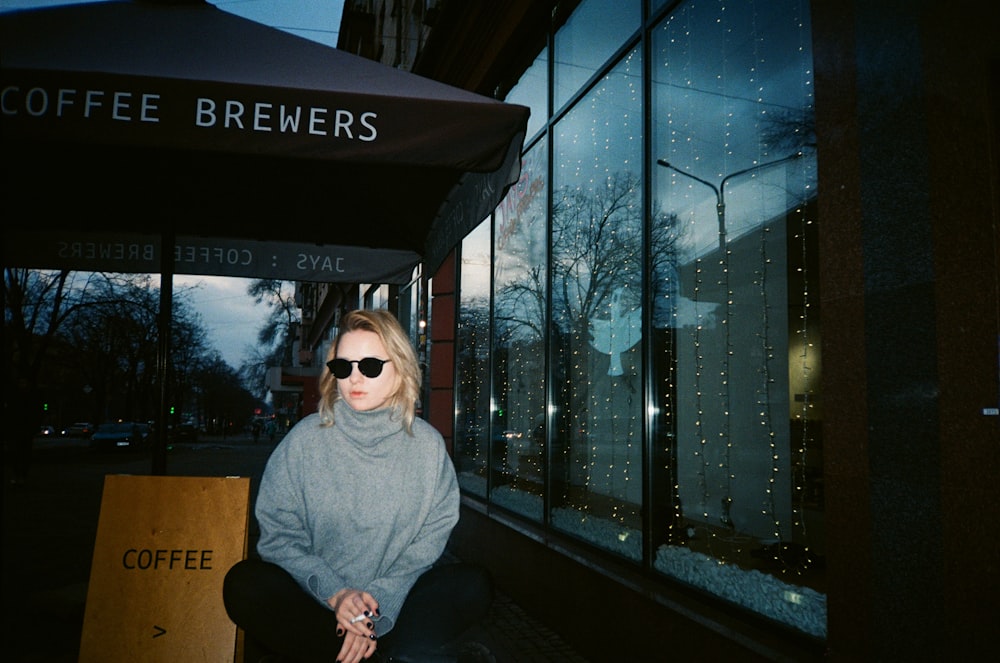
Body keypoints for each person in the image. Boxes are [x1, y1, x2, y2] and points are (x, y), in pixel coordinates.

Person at [223, 310, 494, 663]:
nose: (353, 378)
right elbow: (279, 535)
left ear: (400, 369)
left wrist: (373, 609)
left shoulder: (426, 447)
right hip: (317, 603)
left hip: (394, 603)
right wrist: (337, 595)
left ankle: (358, 650)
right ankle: (372, 654)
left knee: (473, 586)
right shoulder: (305, 440)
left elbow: (429, 541)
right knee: (243, 585)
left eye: (369, 366)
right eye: (342, 367)